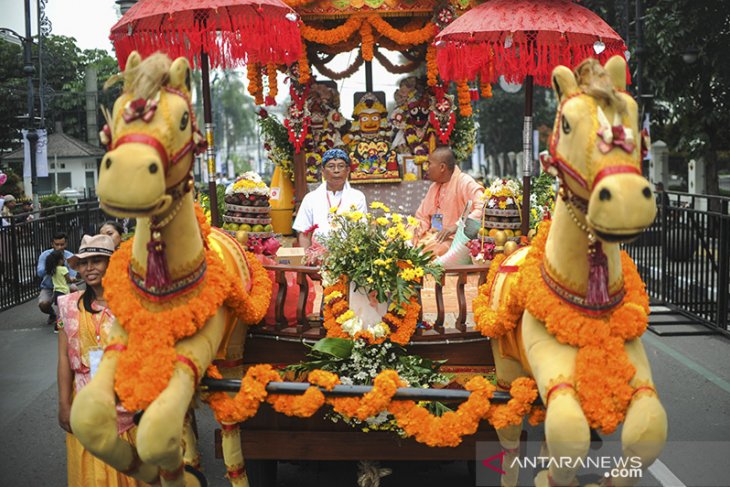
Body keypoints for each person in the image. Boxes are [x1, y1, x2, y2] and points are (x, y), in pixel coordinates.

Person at [57, 234, 150, 487]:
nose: (89, 268)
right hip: (86, 407)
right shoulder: (69, 306)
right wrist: (64, 404)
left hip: (129, 407)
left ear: (113, 265)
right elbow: (65, 360)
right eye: (84, 263)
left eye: (97, 261)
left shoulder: (134, 304)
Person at [413, 147, 484, 257]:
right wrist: (413, 232)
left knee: (428, 253)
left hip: (456, 241)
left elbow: (482, 209)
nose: (426, 168)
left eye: (429, 164)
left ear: (442, 167)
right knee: (405, 243)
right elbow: (422, 217)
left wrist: (456, 227)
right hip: (435, 237)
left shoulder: (464, 182)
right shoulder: (435, 187)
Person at [292, 148, 367, 250]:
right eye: (331, 166)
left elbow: (361, 231)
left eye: (341, 166)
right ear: (323, 171)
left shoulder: (358, 197)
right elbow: (304, 232)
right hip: (318, 257)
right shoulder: (310, 198)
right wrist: (308, 257)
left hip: (348, 256)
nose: (336, 170)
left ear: (348, 170)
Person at [38, 232, 77, 326]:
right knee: (43, 304)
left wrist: (71, 280)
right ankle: (53, 315)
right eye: (57, 244)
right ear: (52, 244)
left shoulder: (70, 256)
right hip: (49, 287)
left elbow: (72, 275)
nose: (59, 247)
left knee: (73, 289)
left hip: (63, 287)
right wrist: (51, 265)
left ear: (66, 244)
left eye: (62, 244)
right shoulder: (45, 255)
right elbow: (40, 273)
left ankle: (68, 319)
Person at [46, 249, 73, 332]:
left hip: (57, 292)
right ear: (59, 260)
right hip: (64, 292)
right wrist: (73, 279)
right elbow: (69, 280)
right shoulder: (63, 269)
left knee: (59, 311)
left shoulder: (53, 270)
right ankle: (64, 326)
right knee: (65, 311)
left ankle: (58, 327)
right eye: (62, 258)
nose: (64, 260)